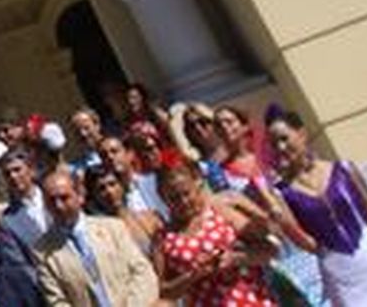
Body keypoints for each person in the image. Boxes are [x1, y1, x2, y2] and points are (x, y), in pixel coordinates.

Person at [266, 108, 367, 306]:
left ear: (302, 133)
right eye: (274, 144)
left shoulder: (344, 169)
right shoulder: (282, 192)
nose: (281, 147)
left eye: (284, 138)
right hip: (342, 274)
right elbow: (305, 242)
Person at [153, 159, 280, 306]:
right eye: (174, 198)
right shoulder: (163, 238)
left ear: (197, 184)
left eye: (186, 193)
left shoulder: (219, 209)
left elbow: (270, 250)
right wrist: (193, 276)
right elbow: (163, 291)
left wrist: (235, 258)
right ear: (163, 198)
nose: (183, 202)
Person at [34, 169, 158, 307]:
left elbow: (143, 272)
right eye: (51, 201)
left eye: (64, 198)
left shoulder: (113, 229)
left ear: (80, 196)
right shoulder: (43, 252)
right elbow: (57, 301)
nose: (58, 206)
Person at [0, 148, 48, 306]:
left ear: (31, 170)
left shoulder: (55, 197)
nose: (13, 177)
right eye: (7, 174)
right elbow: (20, 268)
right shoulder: (7, 222)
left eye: (17, 170)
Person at [83, 164, 162, 257]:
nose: (109, 191)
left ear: (121, 186)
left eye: (112, 184)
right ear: (95, 197)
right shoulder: (102, 236)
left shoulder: (149, 217)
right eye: (101, 189)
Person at [99, 135, 168, 221]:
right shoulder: (113, 201)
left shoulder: (154, 181)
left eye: (114, 151)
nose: (110, 157)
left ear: (129, 154)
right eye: (104, 156)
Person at [215, 104, 265, 185]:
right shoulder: (223, 171)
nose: (224, 126)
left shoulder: (265, 154)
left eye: (229, 122)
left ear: (244, 126)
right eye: (219, 125)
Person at [67, 108, 106, 174]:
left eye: (86, 128)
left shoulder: (120, 149)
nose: (83, 134)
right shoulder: (76, 168)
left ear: (97, 125)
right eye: (77, 132)